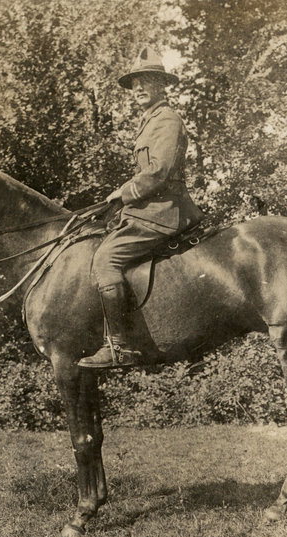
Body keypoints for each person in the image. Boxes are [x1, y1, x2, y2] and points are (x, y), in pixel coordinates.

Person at [78, 47, 204, 369]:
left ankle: (119, 347)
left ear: (162, 85)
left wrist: (123, 194)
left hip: (165, 211)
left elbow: (158, 172)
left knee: (106, 258)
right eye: (134, 84)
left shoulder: (167, 120)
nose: (139, 89)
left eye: (146, 81)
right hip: (149, 209)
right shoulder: (149, 123)